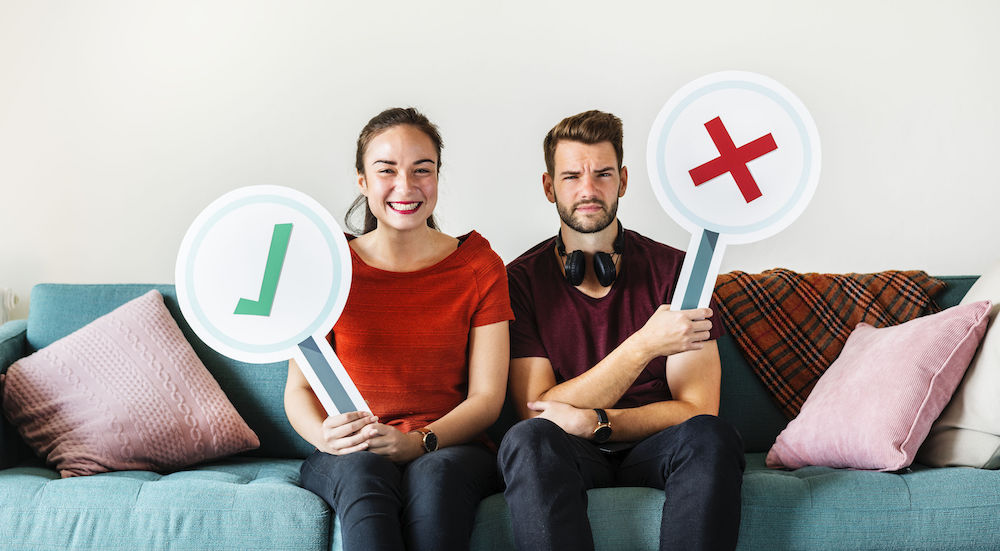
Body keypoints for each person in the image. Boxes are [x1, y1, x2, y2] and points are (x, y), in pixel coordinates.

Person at [498, 110, 746, 551]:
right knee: (529, 440)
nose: (589, 189)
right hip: (567, 452)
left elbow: (697, 409)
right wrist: (645, 344)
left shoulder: (680, 273)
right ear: (549, 186)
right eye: (572, 176)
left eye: (603, 174)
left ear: (624, 181)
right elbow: (539, 412)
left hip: (657, 446)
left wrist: (597, 421)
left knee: (712, 436)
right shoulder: (518, 282)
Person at [284, 107, 513, 551]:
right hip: (352, 451)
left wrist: (419, 442)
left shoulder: (480, 266)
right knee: (362, 473)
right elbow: (298, 390)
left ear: (438, 177)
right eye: (386, 170)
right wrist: (323, 437)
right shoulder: (328, 269)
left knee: (437, 478)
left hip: (446, 446)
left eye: (421, 171)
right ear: (363, 181)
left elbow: (487, 400)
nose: (405, 187)